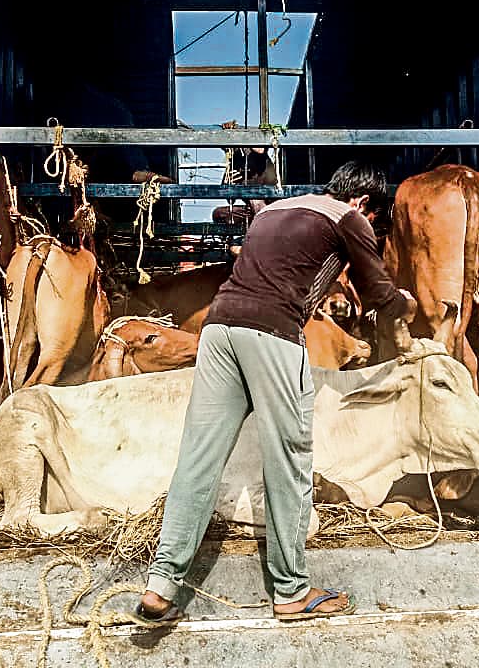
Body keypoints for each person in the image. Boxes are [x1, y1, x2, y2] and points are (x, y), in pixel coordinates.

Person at [135, 161, 417, 625]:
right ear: (363, 202)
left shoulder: (276, 210)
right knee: (288, 457)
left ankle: (162, 583)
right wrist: (412, 304)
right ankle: (291, 589)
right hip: (272, 331)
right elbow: (380, 294)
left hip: (219, 327)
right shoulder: (349, 219)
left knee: (199, 455)